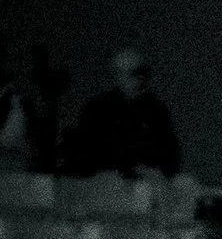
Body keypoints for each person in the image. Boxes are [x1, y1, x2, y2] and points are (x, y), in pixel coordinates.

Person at [67, 47, 182, 180]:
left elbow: (170, 154)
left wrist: (155, 172)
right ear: (117, 75)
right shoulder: (98, 110)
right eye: (132, 73)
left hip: (147, 187)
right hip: (106, 187)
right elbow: (85, 154)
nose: (139, 79)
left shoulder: (156, 111)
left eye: (141, 73)